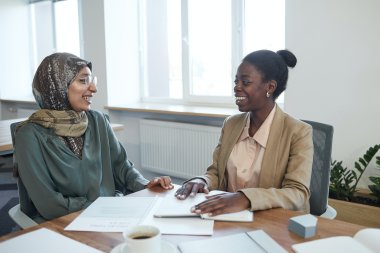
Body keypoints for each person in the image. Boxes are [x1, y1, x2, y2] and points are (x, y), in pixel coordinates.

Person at [14, 52, 173, 223]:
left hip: (109, 215)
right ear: (57, 86)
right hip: (62, 223)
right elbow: (49, 204)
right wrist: (103, 206)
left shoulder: (97, 121)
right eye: (83, 81)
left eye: (91, 81)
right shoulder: (29, 136)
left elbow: (122, 168)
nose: (93, 88)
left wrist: (145, 184)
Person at [175, 49, 313, 217]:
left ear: (270, 87)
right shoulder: (231, 124)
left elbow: (297, 194)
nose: (236, 88)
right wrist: (202, 181)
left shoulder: (298, 132)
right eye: (236, 81)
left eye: (245, 82)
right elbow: (216, 173)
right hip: (228, 219)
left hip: (271, 223)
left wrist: (245, 198)